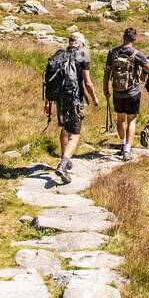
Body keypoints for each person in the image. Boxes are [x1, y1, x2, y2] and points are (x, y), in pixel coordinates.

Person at [43, 32, 98, 185]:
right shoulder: (82, 56)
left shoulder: (58, 55)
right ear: (80, 43)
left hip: (59, 99)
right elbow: (87, 82)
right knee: (75, 133)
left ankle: (64, 158)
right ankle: (63, 164)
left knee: (65, 129)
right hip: (74, 99)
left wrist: (47, 102)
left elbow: (49, 81)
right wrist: (94, 98)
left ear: (69, 42)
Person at [103, 27, 149, 161]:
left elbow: (107, 72)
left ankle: (121, 143)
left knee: (120, 119)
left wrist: (105, 89)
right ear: (134, 39)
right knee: (131, 120)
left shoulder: (112, 52)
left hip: (117, 92)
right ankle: (127, 150)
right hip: (132, 92)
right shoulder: (137, 53)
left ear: (123, 37)